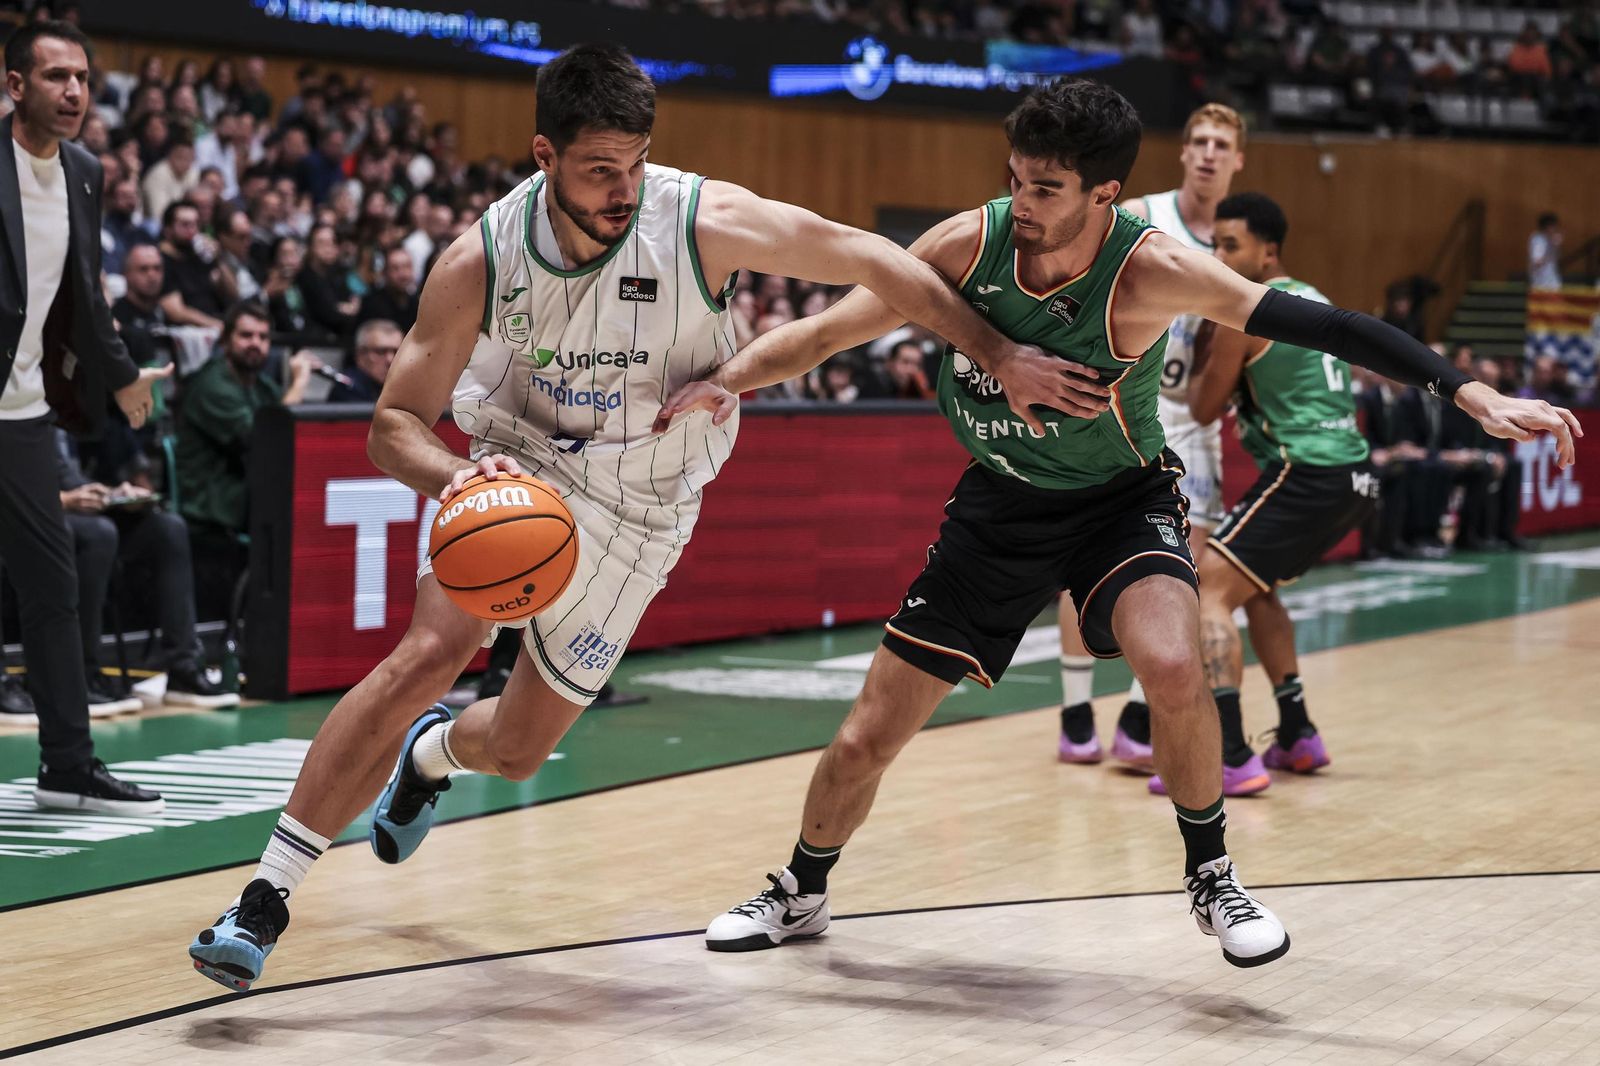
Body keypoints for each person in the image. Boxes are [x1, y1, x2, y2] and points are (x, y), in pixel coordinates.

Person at [186, 44, 1083, 993]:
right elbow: (391, 426)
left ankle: (436, 754)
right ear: (544, 155)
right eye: (600, 169)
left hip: (645, 501)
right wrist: (457, 476)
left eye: (636, 164)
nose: (624, 189)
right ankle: (264, 898)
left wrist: (997, 352)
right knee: (428, 653)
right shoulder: (480, 258)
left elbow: (871, 258)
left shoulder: (700, 221)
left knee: (520, 749)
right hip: (517, 462)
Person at [663, 78, 1579, 967]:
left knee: (1175, 662)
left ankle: (1213, 876)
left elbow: (1327, 323)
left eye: (1045, 188)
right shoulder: (967, 243)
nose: (1021, 202)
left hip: (1121, 500)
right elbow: (830, 332)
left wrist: (1470, 392)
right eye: (1016, 178)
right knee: (870, 731)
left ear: (1103, 194)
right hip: (1000, 503)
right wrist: (726, 380)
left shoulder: (1153, 270)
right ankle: (801, 888)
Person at [1145, 192, 1375, 794]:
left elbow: (1202, 406)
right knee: (1255, 586)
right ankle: (1298, 734)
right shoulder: (1313, 296)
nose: (1218, 257)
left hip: (1307, 471)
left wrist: (1202, 338)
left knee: (1208, 592)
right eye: (1214, 244)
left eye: (1231, 246)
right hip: (1353, 475)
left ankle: (1228, 754)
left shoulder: (1244, 314)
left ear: (1267, 252)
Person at [0, 20, 168, 813]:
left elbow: (86, 298)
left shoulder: (85, 171)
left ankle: (67, 766)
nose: (73, 91)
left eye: (83, 78)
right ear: (14, 86)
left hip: (23, 413)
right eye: (55, 76)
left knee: (53, 587)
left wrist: (124, 377)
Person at [1056, 103, 1246, 769]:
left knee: (1183, 569)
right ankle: (1075, 712)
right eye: (1200, 141)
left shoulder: (1239, 238)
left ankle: (1139, 718)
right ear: (1184, 152)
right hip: (1123, 404)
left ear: (1238, 160)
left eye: (1221, 144)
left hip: (1192, 418)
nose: (1209, 153)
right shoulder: (1143, 213)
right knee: (1082, 560)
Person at [56, 429, 239, 708]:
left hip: (83, 511)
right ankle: (81, 675)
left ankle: (183, 666)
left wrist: (117, 495)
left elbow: (75, 476)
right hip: (38, 515)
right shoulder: (17, 416)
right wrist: (65, 499)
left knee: (168, 529)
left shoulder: (83, 414)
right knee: (98, 535)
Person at [174, 301, 317, 612]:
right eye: (246, 335)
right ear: (225, 341)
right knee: (294, 504)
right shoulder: (211, 385)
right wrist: (300, 383)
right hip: (212, 496)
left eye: (263, 337)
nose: (256, 343)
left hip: (245, 488)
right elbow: (267, 439)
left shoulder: (261, 385)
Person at [327, 318, 400, 403]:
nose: (390, 360)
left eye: (397, 352)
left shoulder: (405, 385)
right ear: (360, 354)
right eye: (380, 352)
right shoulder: (347, 387)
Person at [356, 246, 419, 333]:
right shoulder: (371, 304)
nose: (402, 274)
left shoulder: (416, 303)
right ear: (385, 272)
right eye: (395, 268)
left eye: (406, 267)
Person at [1528, 213, 1562, 290]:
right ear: (1547, 226)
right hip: (1540, 282)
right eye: (1553, 226)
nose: (1555, 229)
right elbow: (1537, 262)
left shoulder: (1550, 239)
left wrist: (1556, 246)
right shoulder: (1537, 239)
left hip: (1552, 280)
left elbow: (1556, 258)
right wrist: (1551, 248)